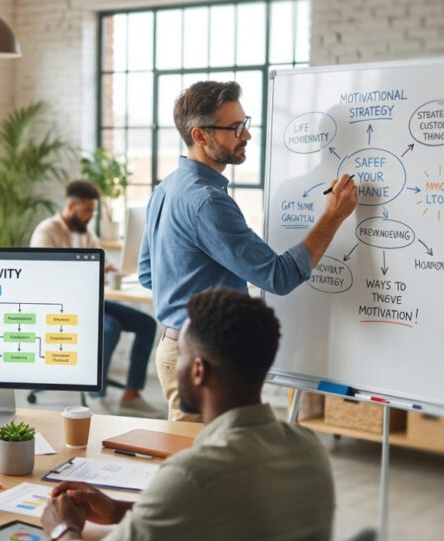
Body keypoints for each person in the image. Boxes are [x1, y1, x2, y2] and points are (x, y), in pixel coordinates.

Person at [42, 288, 335, 541]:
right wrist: (120, 510)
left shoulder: (194, 475)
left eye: (180, 354)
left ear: (197, 370)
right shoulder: (309, 447)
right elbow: (235, 513)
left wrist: (62, 529)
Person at [139, 80, 358, 421]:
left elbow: (147, 273)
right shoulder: (208, 202)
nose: (247, 135)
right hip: (204, 359)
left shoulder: (167, 187)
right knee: (201, 466)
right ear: (200, 136)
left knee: (202, 462)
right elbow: (279, 277)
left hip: (176, 348)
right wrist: (332, 216)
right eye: (235, 128)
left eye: (246, 123)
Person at [30, 180, 161, 419]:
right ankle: (95, 394)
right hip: (63, 306)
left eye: (93, 211)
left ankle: (131, 394)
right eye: (87, 210)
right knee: (110, 327)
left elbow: (103, 264)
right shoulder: (47, 232)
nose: (91, 216)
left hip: (91, 301)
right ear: (71, 206)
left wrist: (111, 271)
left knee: (146, 324)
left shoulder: (85, 232)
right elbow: (41, 275)